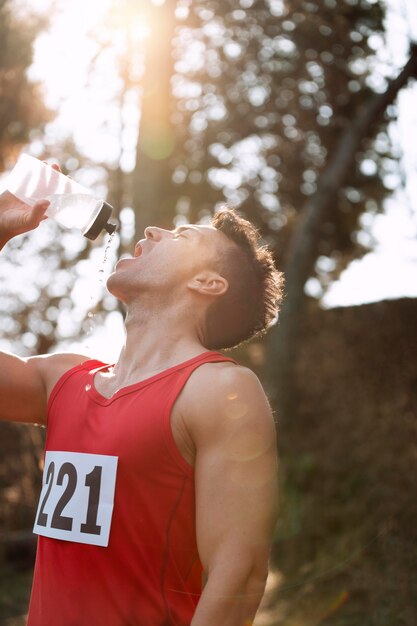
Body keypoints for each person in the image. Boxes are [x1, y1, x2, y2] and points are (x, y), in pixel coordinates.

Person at [0, 170, 284, 626]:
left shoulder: (218, 390)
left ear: (209, 282)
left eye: (182, 234)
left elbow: (239, 579)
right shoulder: (64, 380)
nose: (153, 230)